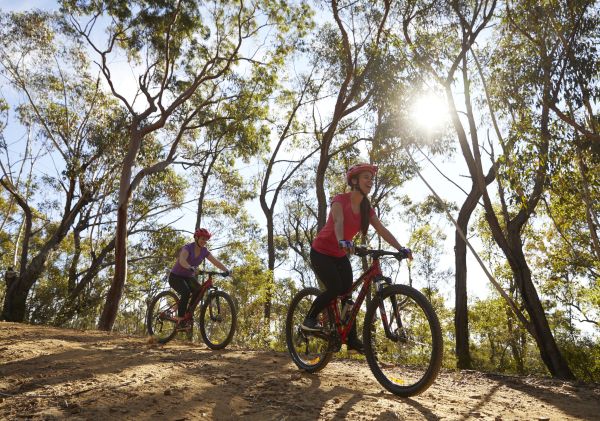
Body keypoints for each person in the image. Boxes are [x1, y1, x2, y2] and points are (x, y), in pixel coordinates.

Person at [302, 163, 412, 353]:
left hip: (339, 255)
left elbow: (382, 229)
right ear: (354, 181)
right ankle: (309, 319)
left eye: (372, 178)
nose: (370, 181)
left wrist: (400, 247)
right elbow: (338, 221)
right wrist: (343, 241)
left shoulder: (366, 209)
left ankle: (351, 339)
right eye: (366, 177)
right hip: (321, 252)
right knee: (336, 288)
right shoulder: (340, 200)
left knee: (347, 295)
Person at [169, 228, 230, 323]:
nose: (204, 241)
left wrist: (226, 270)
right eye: (202, 239)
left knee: (199, 290)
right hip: (175, 276)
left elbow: (215, 262)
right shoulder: (188, 247)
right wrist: (189, 267)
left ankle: (188, 313)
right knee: (186, 292)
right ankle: (180, 318)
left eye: (206, 240)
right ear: (196, 238)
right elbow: (182, 260)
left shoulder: (204, 251)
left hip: (188, 277)